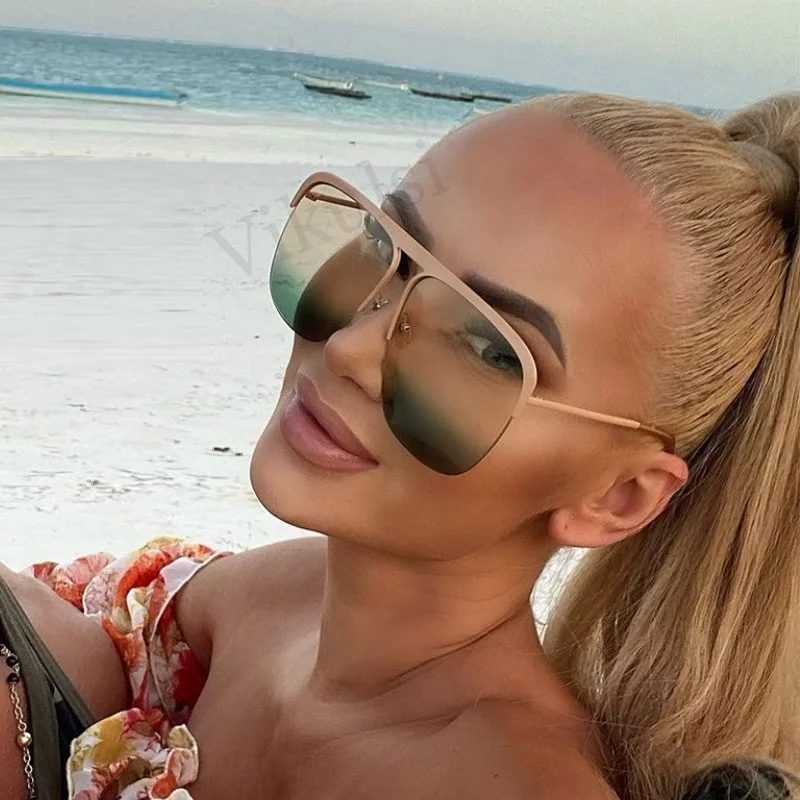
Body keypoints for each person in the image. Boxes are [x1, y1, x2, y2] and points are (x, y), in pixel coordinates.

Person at [2, 89, 800, 800]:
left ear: (613, 498)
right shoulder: (275, 602)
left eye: (484, 347)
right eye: (382, 249)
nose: (353, 345)